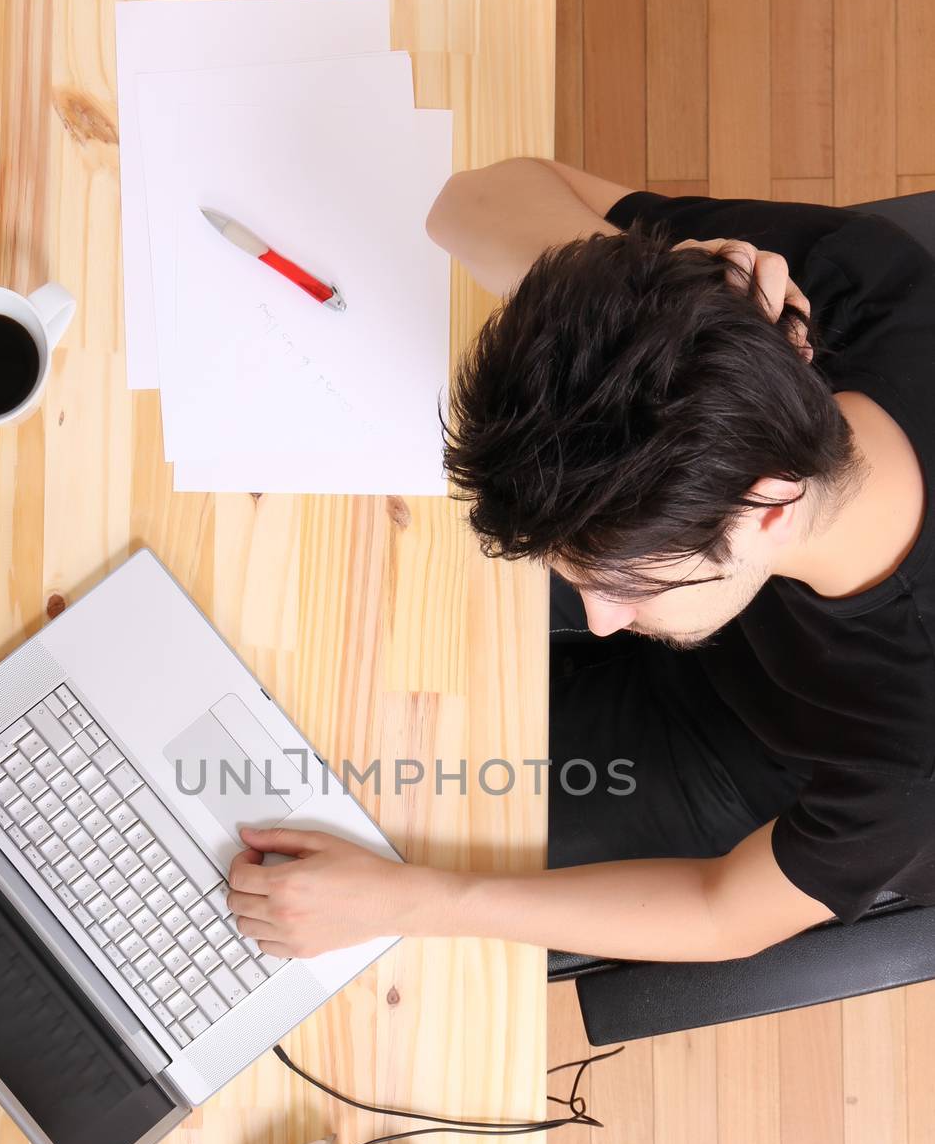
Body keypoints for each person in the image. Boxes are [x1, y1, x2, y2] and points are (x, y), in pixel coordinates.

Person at [225, 159, 935, 965]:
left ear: (769, 504)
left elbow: (722, 913)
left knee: (373, 803)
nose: (603, 621)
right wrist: (657, 297)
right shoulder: (851, 290)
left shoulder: (912, 763)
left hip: (774, 746)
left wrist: (412, 900)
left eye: (621, 586)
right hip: (710, 582)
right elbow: (468, 203)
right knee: (308, 632)